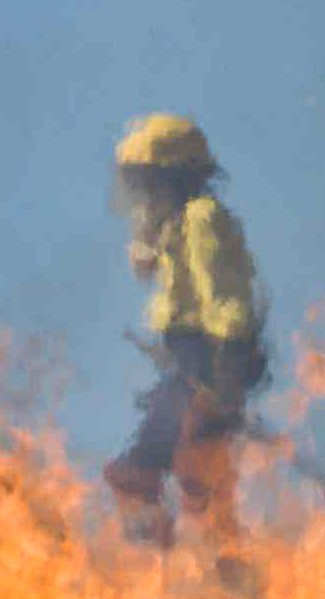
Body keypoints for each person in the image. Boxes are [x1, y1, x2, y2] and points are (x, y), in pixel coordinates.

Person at [103, 113, 269, 552]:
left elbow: (227, 303)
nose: (141, 194)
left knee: (173, 472)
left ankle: (197, 560)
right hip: (189, 366)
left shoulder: (201, 219)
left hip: (209, 364)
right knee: (155, 469)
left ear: (173, 177)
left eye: (148, 181)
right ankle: (169, 554)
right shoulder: (175, 225)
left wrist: (223, 383)